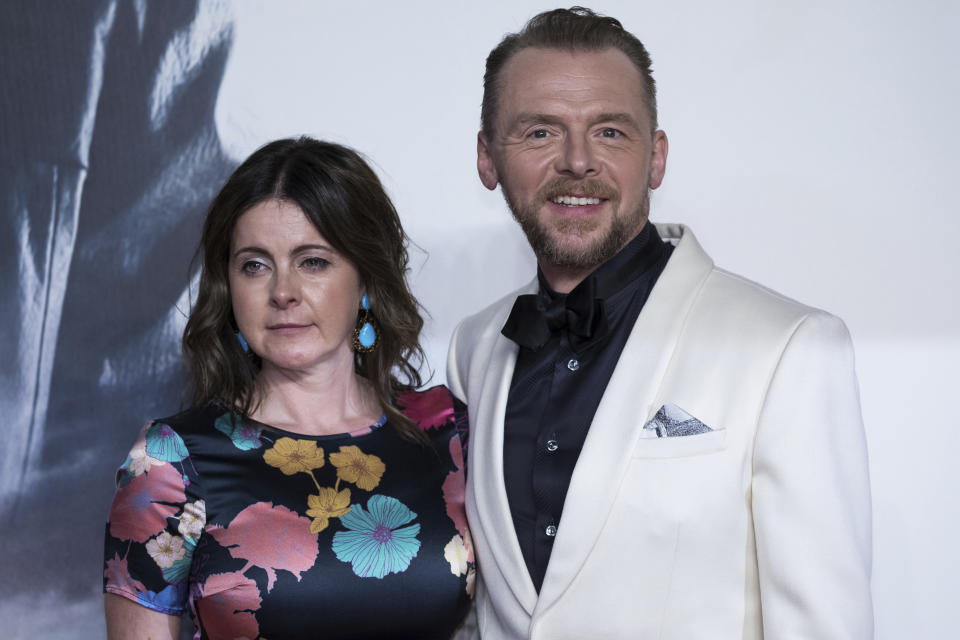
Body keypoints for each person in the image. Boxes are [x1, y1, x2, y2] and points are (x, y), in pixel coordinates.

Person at [447, 7, 872, 639]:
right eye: (539, 133)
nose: (577, 161)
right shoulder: (474, 348)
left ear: (657, 157)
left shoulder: (789, 347)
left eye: (611, 133)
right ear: (488, 158)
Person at [103, 137, 474, 639]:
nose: (282, 293)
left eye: (313, 261)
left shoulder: (449, 433)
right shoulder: (169, 463)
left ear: (365, 279)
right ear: (228, 286)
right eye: (254, 265)